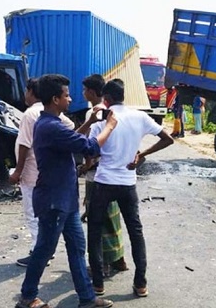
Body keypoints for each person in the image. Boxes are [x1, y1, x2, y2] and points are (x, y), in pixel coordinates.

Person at [15, 74, 115, 308]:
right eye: (66, 96)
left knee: (77, 248)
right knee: (44, 250)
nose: (70, 100)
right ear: (55, 99)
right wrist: (109, 126)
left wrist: (89, 122)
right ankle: (27, 297)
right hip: (54, 201)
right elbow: (89, 146)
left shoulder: (52, 123)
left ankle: (87, 298)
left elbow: (73, 138)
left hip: (65, 199)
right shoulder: (50, 127)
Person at [87, 79, 174, 298]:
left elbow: (91, 152)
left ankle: (98, 284)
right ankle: (140, 283)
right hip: (127, 183)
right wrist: (142, 154)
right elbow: (168, 139)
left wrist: (87, 164)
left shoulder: (102, 121)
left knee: (95, 231)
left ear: (105, 100)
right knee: (136, 232)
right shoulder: (140, 116)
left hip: (104, 182)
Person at [9, 77, 75, 267]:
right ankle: (45, 249)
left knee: (33, 213)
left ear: (31, 92)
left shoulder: (30, 114)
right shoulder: (52, 114)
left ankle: (38, 252)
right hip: (49, 172)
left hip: (31, 171)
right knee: (49, 216)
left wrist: (17, 171)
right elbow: (70, 128)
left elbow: (23, 145)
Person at [79, 74, 128, 277]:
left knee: (98, 220)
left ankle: (103, 264)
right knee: (113, 218)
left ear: (92, 92)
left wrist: (86, 166)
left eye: (85, 90)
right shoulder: (118, 113)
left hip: (97, 175)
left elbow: (91, 146)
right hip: (116, 174)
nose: (83, 93)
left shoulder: (94, 113)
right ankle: (118, 259)